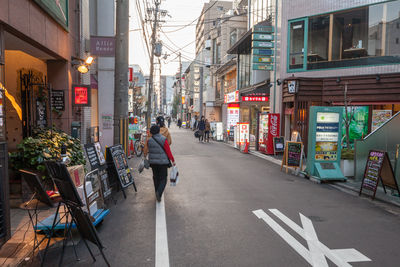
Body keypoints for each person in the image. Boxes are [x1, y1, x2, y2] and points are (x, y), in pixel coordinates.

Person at [143, 125, 175, 202]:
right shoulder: (164, 139)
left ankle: (157, 191)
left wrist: (145, 156)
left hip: (153, 163)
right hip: (163, 163)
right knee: (163, 178)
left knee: (155, 177)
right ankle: (159, 192)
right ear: (158, 131)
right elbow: (168, 151)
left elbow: (146, 150)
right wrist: (173, 160)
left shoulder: (149, 140)